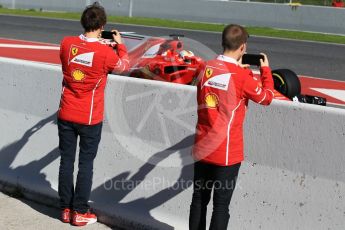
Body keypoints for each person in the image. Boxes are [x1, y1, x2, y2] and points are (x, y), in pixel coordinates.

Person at [189, 24, 274, 230]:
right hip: (226, 152)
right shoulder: (242, 77)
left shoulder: (205, 67)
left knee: (199, 199)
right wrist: (265, 70)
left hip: (202, 146)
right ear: (243, 47)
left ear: (223, 42)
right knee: (220, 206)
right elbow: (266, 97)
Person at [57, 2, 129, 226]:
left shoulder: (67, 44)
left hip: (66, 112)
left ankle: (66, 209)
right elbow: (124, 66)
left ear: (83, 22)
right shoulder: (105, 52)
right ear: (102, 26)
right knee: (85, 165)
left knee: (66, 162)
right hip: (89, 117)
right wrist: (120, 46)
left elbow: (71, 62)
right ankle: (79, 211)